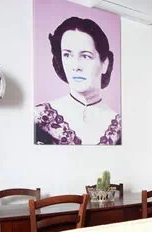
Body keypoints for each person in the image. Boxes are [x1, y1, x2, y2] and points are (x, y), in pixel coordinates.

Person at [35, 17, 121, 145]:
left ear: (105, 64)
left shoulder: (120, 127)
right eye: (67, 55)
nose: (76, 66)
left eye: (85, 56)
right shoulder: (38, 117)